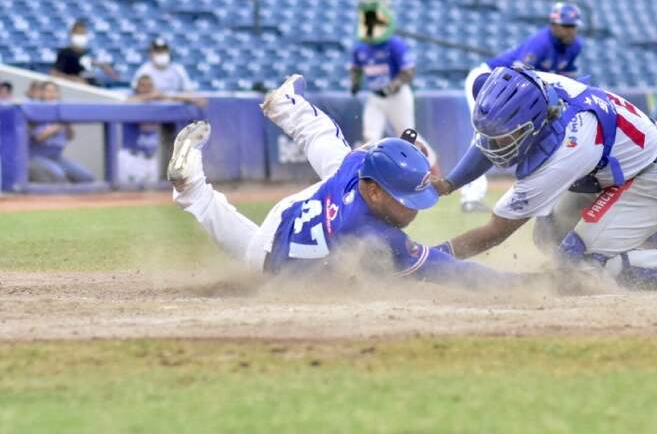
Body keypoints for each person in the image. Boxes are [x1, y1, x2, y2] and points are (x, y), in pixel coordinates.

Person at [169, 74, 511, 285]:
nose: (415, 210)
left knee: (332, 147)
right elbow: (451, 272)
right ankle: (194, 191)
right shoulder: (377, 236)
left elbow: (374, 152)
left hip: (293, 216)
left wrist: (410, 166)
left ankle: (285, 107)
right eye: (407, 201)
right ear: (374, 192)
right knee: (252, 249)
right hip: (274, 268)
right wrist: (516, 284)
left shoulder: (359, 169)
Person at [431, 66, 657, 289]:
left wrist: (431, 261)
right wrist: (449, 183)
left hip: (653, 180)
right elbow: (489, 141)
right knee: (548, 234)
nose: (496, 145)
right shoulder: (533, 90)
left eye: (506, 138)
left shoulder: (566, 149)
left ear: (534, 126)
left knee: (578, 268)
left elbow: (496, 231)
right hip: (618, 168)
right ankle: (652, 234)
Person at [459, 2, 584, 213]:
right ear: (553, 25)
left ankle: (534, 195)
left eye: (573, 26)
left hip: (513, 88)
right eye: (566, 25)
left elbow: (567, 78)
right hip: (490, 80)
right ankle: (471, 197)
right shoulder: (541, 43)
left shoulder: (575, 46)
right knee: (484, 134)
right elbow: (518, 73)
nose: (571, 30)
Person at [349, 0, 437, 168]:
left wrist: (391, 87)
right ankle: (370, 176)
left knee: (407, 135)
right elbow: (356, 68)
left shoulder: (395, 45)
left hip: (398, 97)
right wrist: (355, 82)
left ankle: (432, 167)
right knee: (370, 136)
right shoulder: (360, 48)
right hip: (375, 97)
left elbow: (408, 71)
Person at [118, 75, 206, 187]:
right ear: (137, 87)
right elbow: (127, 103)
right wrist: (152, 95)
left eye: (149, 86)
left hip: (150, 158)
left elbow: (172, 98)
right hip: (131, 157)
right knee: (127, 191)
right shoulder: (132, 99)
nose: (146, 88)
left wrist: (192, 99)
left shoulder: (157, 102)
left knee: (151, 192)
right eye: (143, 86)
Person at [26, 81, 95, 184]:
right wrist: (59, 125)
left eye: (54, 91)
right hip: (34, 157)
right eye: (48, 91)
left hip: (56, 156)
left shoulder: (60, 110)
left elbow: (71, 137)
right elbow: (38, 137)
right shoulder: (35, 108)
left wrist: (68, 125)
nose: (52, 94)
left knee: (86, 177)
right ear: (41, 93)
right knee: (58, 176)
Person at [51, 20, 117, 85]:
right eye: (78, 33)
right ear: (71, 34)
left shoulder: (85, 54)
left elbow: (86, 65)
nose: (81, 36)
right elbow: (54, 74)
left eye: (83, 33)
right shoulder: (65, 53)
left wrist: (102, 65)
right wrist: (73, 79)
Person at [131, 38, 196, 94]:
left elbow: (189, 90)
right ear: (150, 54)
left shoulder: (178, 69)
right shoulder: (144, 70)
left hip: (174, 104)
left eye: (163, 51)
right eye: (157, 51)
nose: (160, 53)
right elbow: (136, 91)